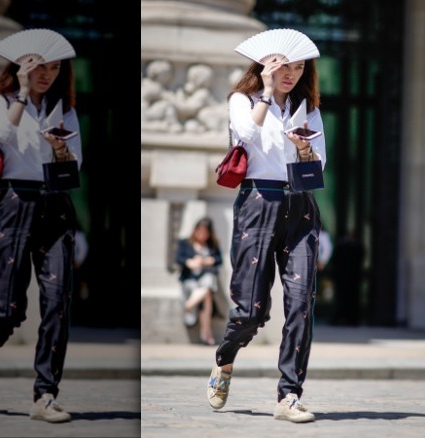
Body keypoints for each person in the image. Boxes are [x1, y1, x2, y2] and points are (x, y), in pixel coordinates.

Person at [206, 29, 326, 423]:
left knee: (301, 304)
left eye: (298, 67)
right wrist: (268, 92)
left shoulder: (306, 107)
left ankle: (288, 396)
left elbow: (319, 164)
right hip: (258, 201)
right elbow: (244, 136)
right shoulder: (243, 99)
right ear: (266, 64)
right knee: (250, 311)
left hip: (301, 205)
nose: (291, 73)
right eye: (283, 66)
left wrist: (304, 147)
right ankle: (224, 359)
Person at [0, 29, 82, 424]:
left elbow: (75, 165)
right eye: (39, 67)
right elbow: (0, 137)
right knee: (8, 308)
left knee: (57, 303)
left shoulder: (62, 107)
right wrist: (22, 90)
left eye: (53, 68)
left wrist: (61, 149)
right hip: (15, 202)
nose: (46, 74)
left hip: (56, 204)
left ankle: (45, 395)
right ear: (21, 64)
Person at [175, 217, 223, 345]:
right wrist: (189, 262)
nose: (202, 235)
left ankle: (188, 305)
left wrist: (206, 261)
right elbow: (178, 258)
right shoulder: (185, 243)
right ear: (195, 230)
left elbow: (219, 260)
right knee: (207, 295)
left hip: (205, 278)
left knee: (208, 284)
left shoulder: (212, 245)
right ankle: (206, 333)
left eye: (205, 232)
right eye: (199, 231)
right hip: (190, 279)